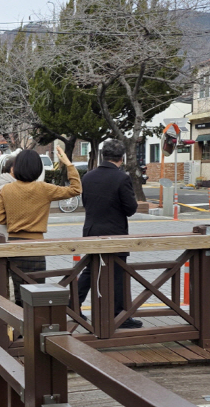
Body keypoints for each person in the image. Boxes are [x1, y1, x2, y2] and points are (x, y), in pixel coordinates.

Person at [0, 146, 81, 306]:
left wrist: (16, 217)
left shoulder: (7, 189)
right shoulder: (44, 188)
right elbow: (76, 190)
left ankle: (20, 329)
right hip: (36, 248)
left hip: (14, 247)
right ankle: (35, 328)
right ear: (38, 168)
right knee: (36, 295)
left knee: (19, 295)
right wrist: (68, 164)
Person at [76, 140, 142, 329]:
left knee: (89, 270)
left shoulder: (87, 176)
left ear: (102, 155)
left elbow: (87, 203)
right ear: (122, 158)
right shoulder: (121, 178)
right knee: (118, 272)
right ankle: (119, 315)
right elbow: (130, 209)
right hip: (114, 232)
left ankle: (74, 304)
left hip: (91, 229)